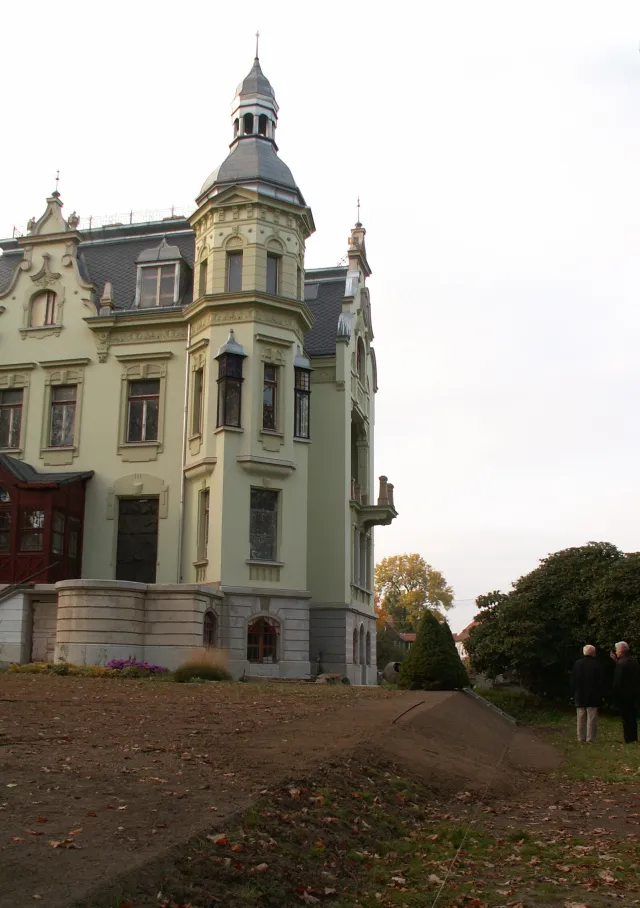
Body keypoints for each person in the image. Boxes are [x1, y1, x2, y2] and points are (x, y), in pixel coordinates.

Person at [571, 645, 604, 743]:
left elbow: (573, 679)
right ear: (593, 653)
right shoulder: (597, 664)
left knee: (580, 717)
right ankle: (590, 738)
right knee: (592, 717)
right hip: (593, 694)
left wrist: (573, 692)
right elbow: (601, 681)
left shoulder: (577, 663)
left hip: (580, 694)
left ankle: (580, 737)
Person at [611, 641, 640, 744]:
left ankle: (628, 738)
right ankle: (633, 737)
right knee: (632, 717)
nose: (616, 652)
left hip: (623, 695)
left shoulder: (621, 663)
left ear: (621, 651)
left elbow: (618, 681)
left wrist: (615, 695)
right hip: (634, 694)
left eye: (617, 650)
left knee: (626, 717)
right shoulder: (633, 661)